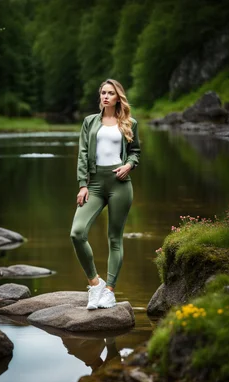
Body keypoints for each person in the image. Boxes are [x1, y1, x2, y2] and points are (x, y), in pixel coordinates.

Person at [70, 79, 140, 310]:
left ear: (118, 97)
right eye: (103, 93)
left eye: (110, 93)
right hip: (95, 184)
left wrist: (129, 165)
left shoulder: (129, 123)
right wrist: (83, 185)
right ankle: (95, 283)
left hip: (120, 185)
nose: (106, 96)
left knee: (114, 239)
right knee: (77, 233)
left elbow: (135, 153)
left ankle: (110, 291)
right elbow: (82, 154)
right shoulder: (90, 122)